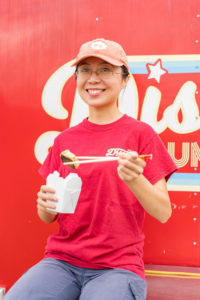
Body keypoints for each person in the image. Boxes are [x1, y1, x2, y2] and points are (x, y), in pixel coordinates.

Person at [4, 38, 177, 300]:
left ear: (124, 80)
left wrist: (135, 180)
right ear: (76, 79)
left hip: (117, 268)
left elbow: (163, 212)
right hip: (62, 261)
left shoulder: (142, 135)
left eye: (105, 70)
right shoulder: (64, 141)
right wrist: (44, 205)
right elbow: (48, 217)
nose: (93, 79)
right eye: (85, 70)